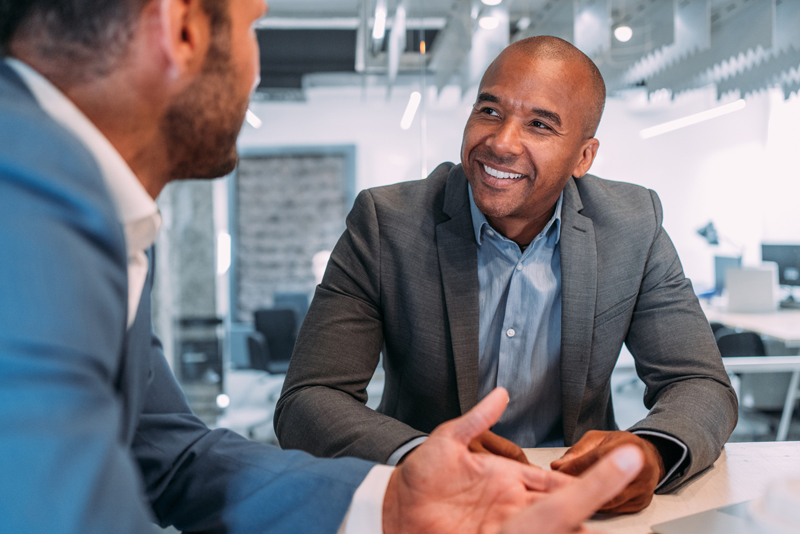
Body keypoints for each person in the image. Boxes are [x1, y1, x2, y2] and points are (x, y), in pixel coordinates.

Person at [0, 0, 649, 532]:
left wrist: (389, 504)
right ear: (184, 28)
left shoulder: (93, 211)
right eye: (255, 26)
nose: (257, 72)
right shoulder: (29, 210)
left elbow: (169, 457)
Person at [275, 36, 739, 514]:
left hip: (575, 501)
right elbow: (310, 399)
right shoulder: (386, 223)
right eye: (490, 112)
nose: (501, 142)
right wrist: (419, 456)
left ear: (584, 157)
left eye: (539, 125)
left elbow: (701, 383)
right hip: (429, 503)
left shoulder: (632, 225)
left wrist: (653, 451)